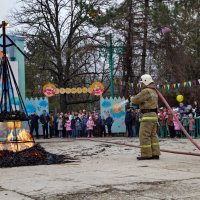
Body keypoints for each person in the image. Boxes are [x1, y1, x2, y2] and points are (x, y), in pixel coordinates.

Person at [130, 74, 160, 160]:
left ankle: (146, 154)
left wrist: (131, 98)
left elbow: (136, 100)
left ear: (145, 82)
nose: (141, 84)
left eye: (142, 82)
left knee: (144, 135)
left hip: (147, 116)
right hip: (153, 116)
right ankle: (155, 153)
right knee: (153, 135)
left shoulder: (146, 91)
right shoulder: (154, 91)